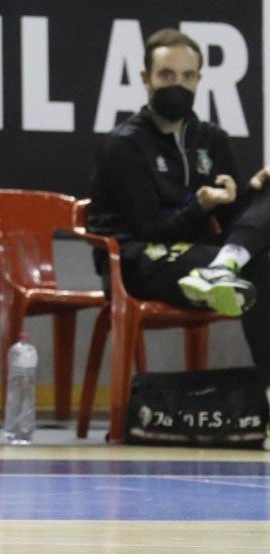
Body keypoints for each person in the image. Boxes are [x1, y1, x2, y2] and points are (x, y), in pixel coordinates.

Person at [89, 27, 270, 448]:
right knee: (249, 270)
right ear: (145, 79)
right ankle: (222, 268)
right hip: (138, 260)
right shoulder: (123, 145)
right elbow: (148, 228)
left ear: (200, 82)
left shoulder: (212, 140)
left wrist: (248, 195)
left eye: (188, 77)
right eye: (167, 75)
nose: (178, 85)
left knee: (264, 264)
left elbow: (233, 218)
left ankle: (267, 397)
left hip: (202, 257)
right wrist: (201, 208)